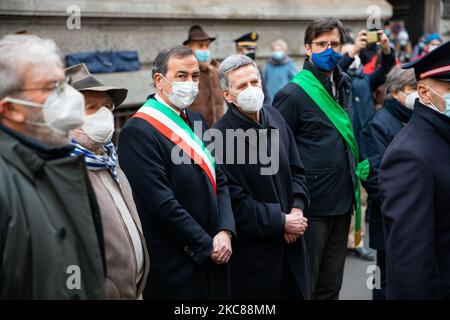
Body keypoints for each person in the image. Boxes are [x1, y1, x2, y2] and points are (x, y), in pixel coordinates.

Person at [118, 45, 236, 300]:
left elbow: (221, 180)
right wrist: (206, 245)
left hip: (216, 252)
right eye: (181, 76)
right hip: (177, 262)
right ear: (160, 81)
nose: (191, 84)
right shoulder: (138, 131)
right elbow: (160, 204)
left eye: (195, 77)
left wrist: (225, 230)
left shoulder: (195, 120)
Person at [0, 34, 106, 299]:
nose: (69, 97)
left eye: (64, 84)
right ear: (11, 109)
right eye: (51, 87)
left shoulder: (63, 160)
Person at [273, 18, 368, 300]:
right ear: (307, 48)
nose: (329, 50)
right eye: (321, 44)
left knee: (331, 286)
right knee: (306, 286)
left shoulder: (343, 83)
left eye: (335, 44)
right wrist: (290, 208)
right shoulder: (292, 93)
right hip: (311, 208)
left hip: (341, 203)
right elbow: (277, 155)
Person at [213, 54, 310, 299]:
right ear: (227, 95)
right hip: (256, 256)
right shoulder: (219, 139)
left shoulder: (275, 117)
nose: (251, 89)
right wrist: (280, 222)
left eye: (254, 82)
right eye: (242, 86)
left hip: (292, 244)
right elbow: (234, 201)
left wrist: (296, 210)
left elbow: (297, 170)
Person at [66, 63, 150, 300]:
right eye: (91, 107)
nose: (103, 115)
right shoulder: (63, 173)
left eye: (107, 107)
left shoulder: (109, 160)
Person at [380, 41, 450, 299]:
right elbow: (410, 263)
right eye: (449, 87)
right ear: (424, 92)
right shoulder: (408, 155)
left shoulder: (441, 135)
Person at [360, 66, 417, 300]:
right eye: (412, 89)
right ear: (395, 92)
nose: (418, 94)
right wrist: (403, 206)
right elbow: (372, 176)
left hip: (411, 216)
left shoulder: (411, 118)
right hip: (390, 218)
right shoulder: (378, 124)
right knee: (383, 280)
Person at [339, 29, 395, 261]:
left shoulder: (363, 79)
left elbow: (386, 70)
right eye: (349, 52)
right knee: (346, 196)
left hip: (365, 148)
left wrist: (385, 48)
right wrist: (351, 52)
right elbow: (336, 70)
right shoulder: (338, 77)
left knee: (362, 197)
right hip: (345, 148)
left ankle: (357, 240)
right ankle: (341, 239)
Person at [183, 25, 224, 127]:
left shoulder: (215, 70)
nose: (205, 49)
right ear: (189, 47)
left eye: (207, 46)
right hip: (195, 131)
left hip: (217, 131)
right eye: (200, 46)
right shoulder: (184, 72)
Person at [234, 32, 270, 104]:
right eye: (248, 49)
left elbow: (264, 92)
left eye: (253, 49)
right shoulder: (233, 70)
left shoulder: (256, 68)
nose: (252, 52)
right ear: (239, 50)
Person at [264, 39, 298, 103]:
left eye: (279, 50)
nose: (277, 52)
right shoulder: (268, 64)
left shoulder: (289, 63)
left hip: (284, 95)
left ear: (283, 50)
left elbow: (295, 80)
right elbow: (264, 79)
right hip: (270, 96)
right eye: (275, 50)